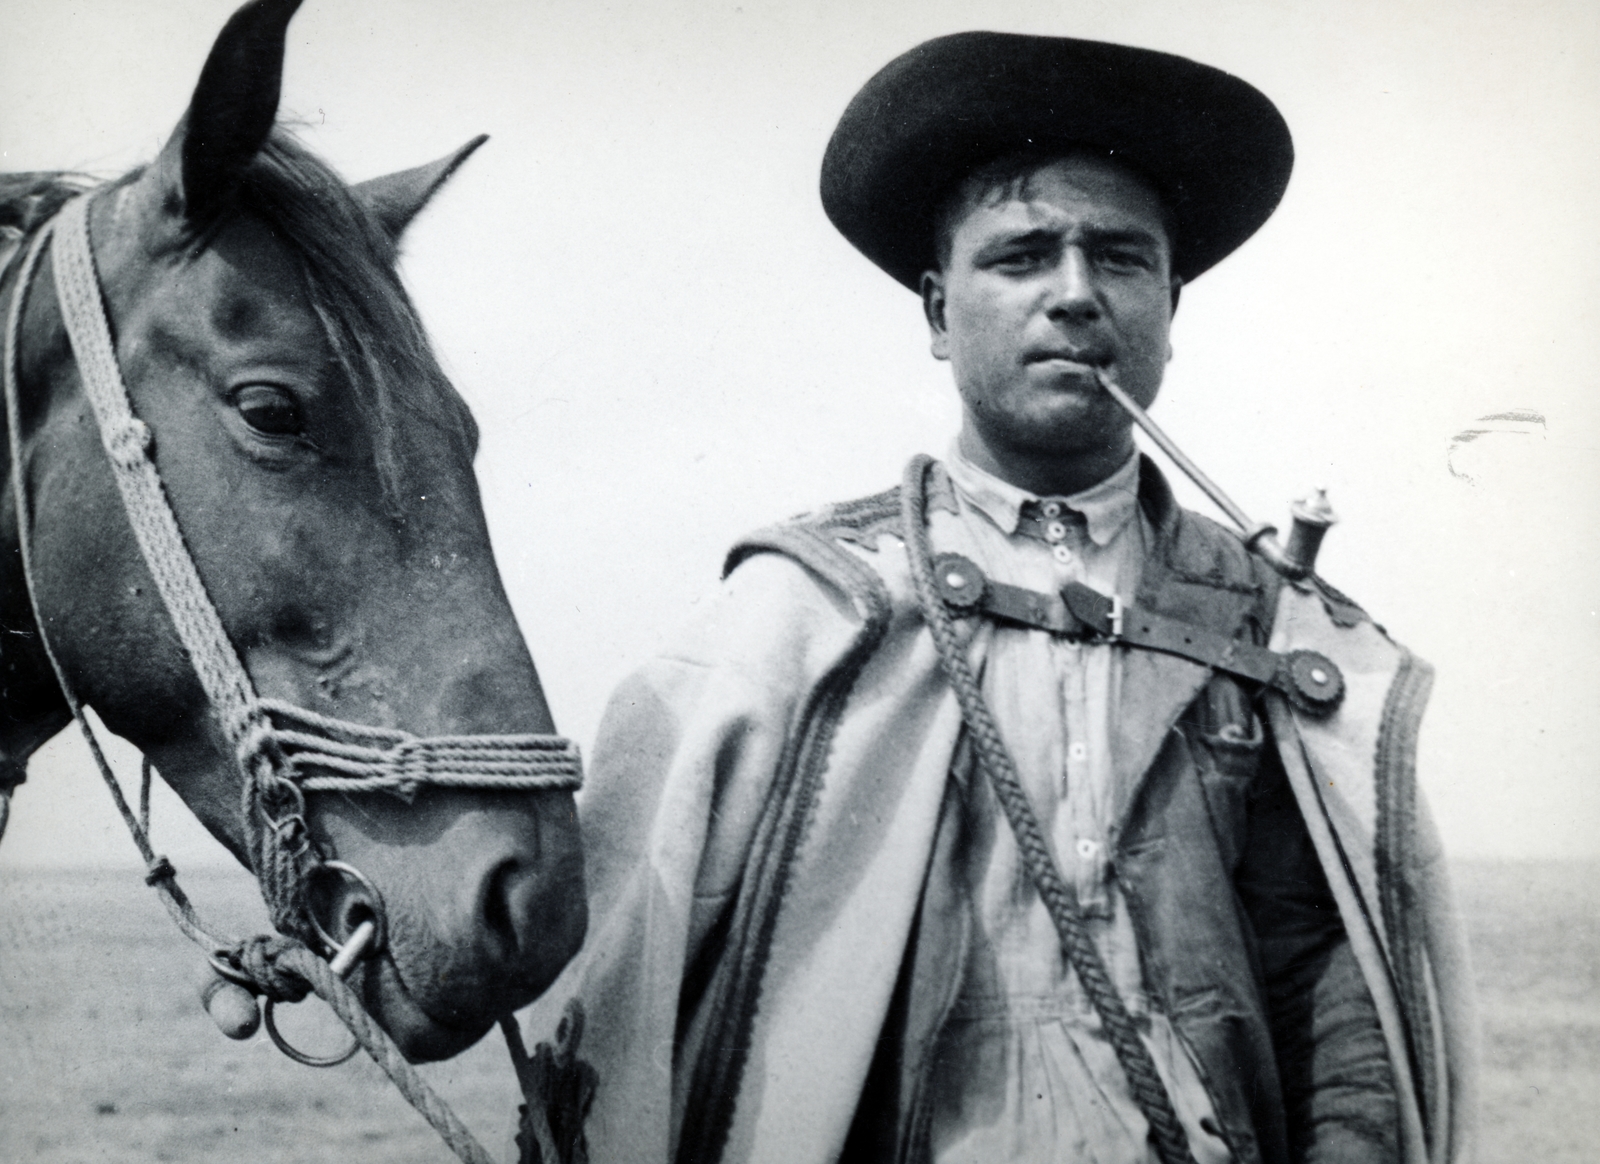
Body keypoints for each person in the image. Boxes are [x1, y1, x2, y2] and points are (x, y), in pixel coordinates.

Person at [539, 32, 1476, 1164]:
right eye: (1024, 256)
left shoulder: (1266, 623)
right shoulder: (803, 613)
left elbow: (1327, 969)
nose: (1075, 295)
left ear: (1170, 306)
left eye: (1120, 259)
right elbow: (626, 975)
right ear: (938, 313)